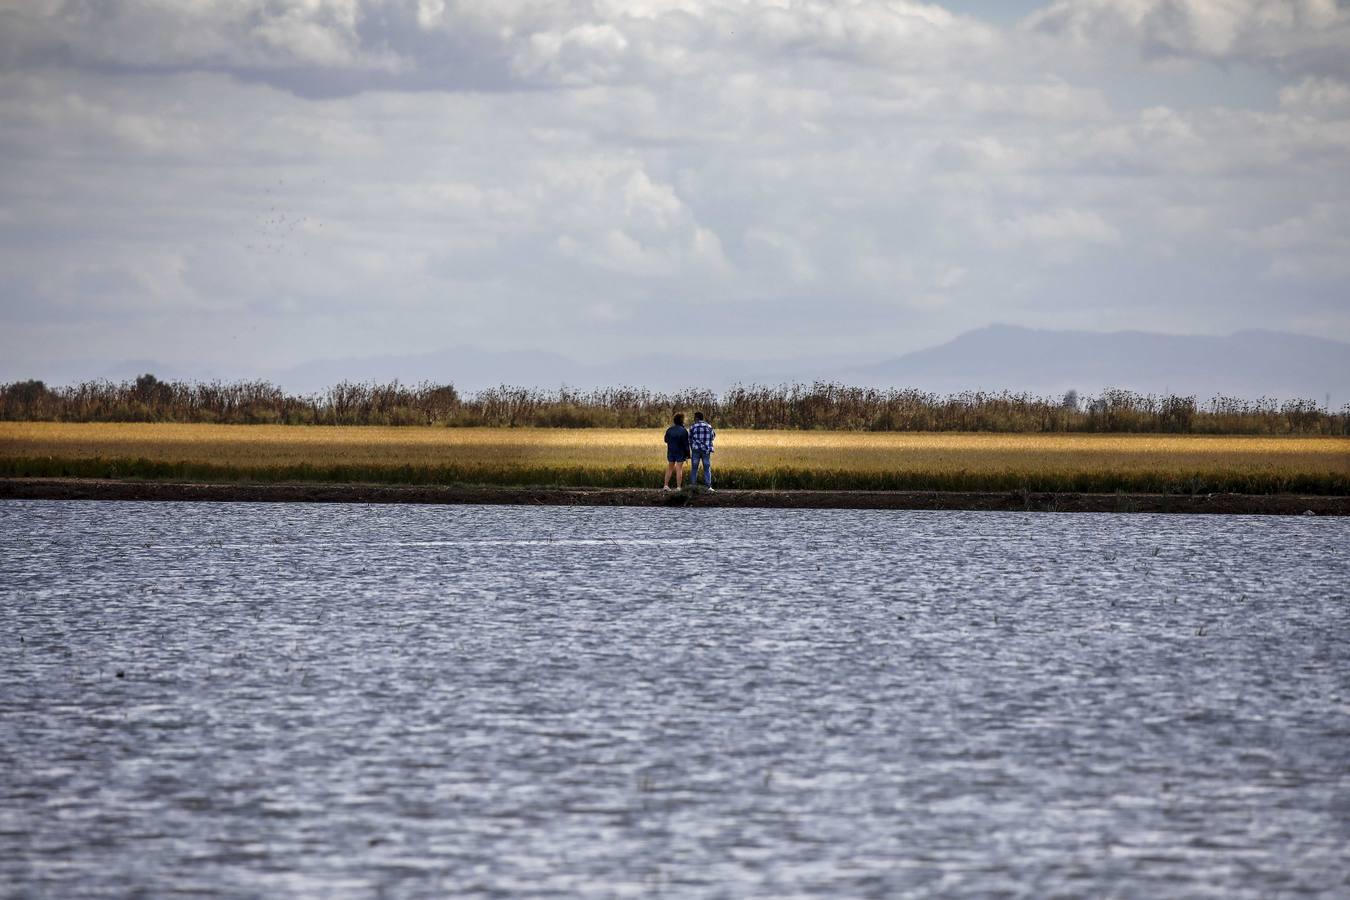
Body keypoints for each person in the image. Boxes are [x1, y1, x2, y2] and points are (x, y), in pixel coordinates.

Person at [688, 410, 715, 490]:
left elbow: (689, 439)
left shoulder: (693, 427)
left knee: (694, 468)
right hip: (706, 450)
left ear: (696, 418)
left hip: (696, 450)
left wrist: (692, 447)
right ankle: (708, 487)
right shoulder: (709, 426)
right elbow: (712, 437)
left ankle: (693, 486)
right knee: (707, 468)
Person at [663, 413, 690, 490]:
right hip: (680, 452)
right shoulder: (684, 431)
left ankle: (665, 485)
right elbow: (686, 444)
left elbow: (665, 440)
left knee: (670, 468)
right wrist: (688, 455)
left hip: (671, 451)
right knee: (679, 469)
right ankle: (678, 487)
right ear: (682, 421)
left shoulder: (669, 429)